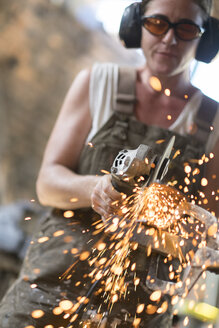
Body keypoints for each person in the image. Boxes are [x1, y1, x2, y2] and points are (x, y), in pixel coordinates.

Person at [0, 0, 218, 327]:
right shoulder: (98, 83)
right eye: (157, 24)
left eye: (186, 28)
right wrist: (95, 188)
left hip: (140, 308)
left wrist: (179, 218)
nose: (170, 39)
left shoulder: (213, 122)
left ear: (206, 38)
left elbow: (207, 227)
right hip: (51, 287)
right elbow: (47, 183)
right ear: (135, 25)